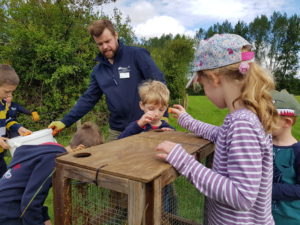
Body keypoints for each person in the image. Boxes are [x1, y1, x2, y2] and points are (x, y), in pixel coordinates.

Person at [155, 34, 279, 225]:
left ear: (214, 79)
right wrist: (188, 121)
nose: (205, 92)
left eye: (202, 85)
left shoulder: (242, 124)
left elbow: (243, 197)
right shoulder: (245, 117)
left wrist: (184, 161)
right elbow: (220, 135)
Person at [49, 19, 166, 141]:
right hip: (117, 130)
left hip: (145, 125)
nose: (105, 47)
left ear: (116, 35)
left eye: (107, 41)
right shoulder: (98, 71)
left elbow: (159, 84)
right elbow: (88, 99)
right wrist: (64, 122)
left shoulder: (137, 55)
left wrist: (163, 117)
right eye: (100, 44)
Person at [0, 122, 103, 225]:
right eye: (89, 158)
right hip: (7, 214)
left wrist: (44, 217)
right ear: (81, 149)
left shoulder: (47, 150)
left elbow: (32, 191)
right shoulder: (53, 161)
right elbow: (30, 203)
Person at [271, 89, 300, 225]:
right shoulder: (263, 145)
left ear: (287, 122)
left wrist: (268, 189)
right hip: (261, 217)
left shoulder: (297, 151)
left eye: (268, 117)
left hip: (288, 219)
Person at [0, 64, 32, 177]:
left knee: (4, 182)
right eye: (7, 91)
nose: (9, 95)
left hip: (1, 154)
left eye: (12, 92)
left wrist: (18, 127)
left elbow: (6, 120)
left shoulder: (3, 104)